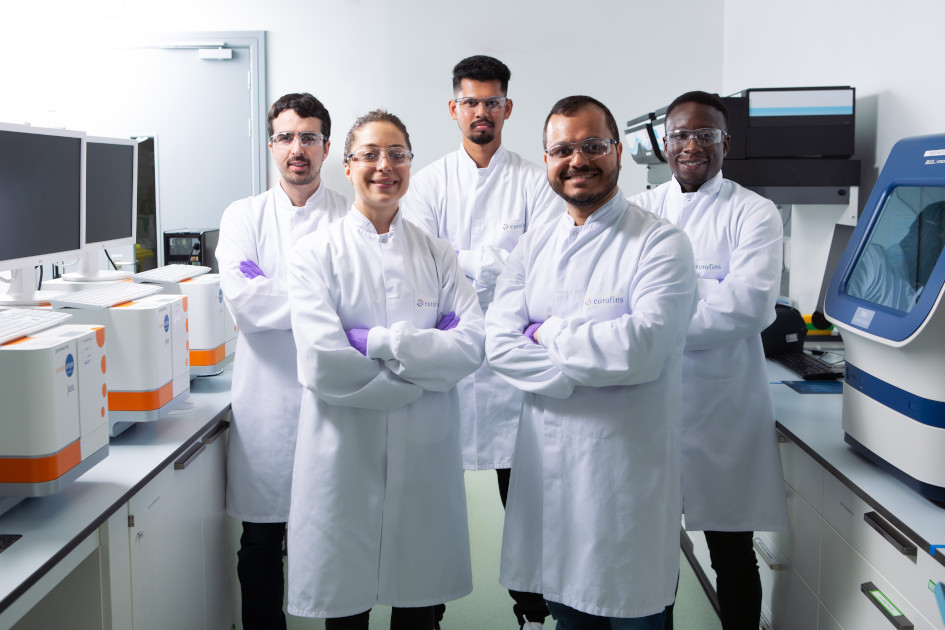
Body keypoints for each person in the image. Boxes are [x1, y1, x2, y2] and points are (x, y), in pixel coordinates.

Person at [486, 95, 697, 629]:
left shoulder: (661, 243)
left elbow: (642, 347)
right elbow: (500, 345)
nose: (578, 160)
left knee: (634, 615)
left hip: (624, 481)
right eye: (562, 150)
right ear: (547, 161)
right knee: (567, 614)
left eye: (593, 145)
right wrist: (587, 365)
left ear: (618, 152)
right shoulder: (533, 246)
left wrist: (547, 332)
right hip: (550, 483)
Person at [285, 110, 485, 630]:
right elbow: (323, 362)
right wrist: (423, 366)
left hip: (423, 455)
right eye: (370, 154)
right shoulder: (313, 254)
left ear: (410, 164)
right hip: (342, 456)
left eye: (397, 154)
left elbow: (470, 346)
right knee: (344, 611)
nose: (384, 166)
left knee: (419, 611)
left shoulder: (437, 254)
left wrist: (375, 344)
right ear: (347, 166)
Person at [401, 54, 562, 629]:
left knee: (525, 500)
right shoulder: (428, 183)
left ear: (507, 108)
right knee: (430, 500)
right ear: (454, 108)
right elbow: (421, 265)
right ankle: (427, 610)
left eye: (492, 102)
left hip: (513, 367)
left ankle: (532, 610)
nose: (481, 112)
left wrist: (458, 261)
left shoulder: (536, 181)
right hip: (446, 362)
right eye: (471, 101)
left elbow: (539, 265)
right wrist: (495, 264)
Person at [628, 91, 789, 630]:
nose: (692, 146)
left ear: (726, 143)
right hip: (650, 406)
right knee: (654, 551)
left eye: (705, 135)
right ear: (664, 143)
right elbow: (622, 298)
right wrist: (680, 305)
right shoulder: (639, 211)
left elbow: (748, 306)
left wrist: (654, 323)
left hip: (724, 406)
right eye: (680, 135)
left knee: (731, 551)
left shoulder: (754, 212)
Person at [215, 92, 348, 630]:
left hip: (336, 404)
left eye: (309, 137)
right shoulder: (243, 216)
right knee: (261, 543)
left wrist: (275, 288)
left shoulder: (350, 215)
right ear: (271, 145)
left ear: (326, 147)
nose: (298, 148)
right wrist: (322, 301)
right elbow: (245, 305)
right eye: (286, 137)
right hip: (265, 406)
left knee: (339, 539)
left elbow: (360, 305)